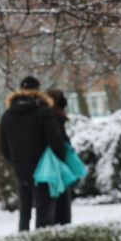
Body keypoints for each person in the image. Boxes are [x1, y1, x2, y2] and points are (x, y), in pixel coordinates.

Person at [0, 75, 66, 231]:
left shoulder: (7, 115)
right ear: (38, 90)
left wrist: (16, 161)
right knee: (44, 211)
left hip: (20, 169)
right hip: (43, 168)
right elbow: (55, 140)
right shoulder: (43, 112)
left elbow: (3, 146)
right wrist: (60, 159)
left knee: (24, 211)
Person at [44, 88, 74, 225]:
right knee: (61, 201)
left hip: (50, 163)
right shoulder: (53, 117)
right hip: (56, 164)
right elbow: (59, 140)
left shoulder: (47, 115)